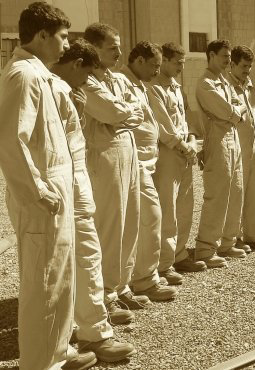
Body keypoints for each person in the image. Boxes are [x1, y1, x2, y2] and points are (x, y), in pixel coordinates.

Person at [0, 3, 87, 368]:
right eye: (63, 37)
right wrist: (38, 191)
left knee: (60, 280)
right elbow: (11, 140)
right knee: (43, 284)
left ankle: (57, 352)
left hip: (55, 196)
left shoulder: (43, 76)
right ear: (41, 36)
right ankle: (39, 363)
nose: (67, 46)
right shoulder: (23, 75)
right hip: (43, 201)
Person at [51, 38, 136, 363]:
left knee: (88, 257)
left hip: (77, 183)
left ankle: (92, 332)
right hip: (59, 189)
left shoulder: (69, 87)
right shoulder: (36, 80)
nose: (86, 84)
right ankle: (59, 347)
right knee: (63, 266)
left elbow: (127, 113)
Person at [83, 23, 148, 311]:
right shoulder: (86, 80)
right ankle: (105, 294)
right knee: (109, 225)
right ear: (93, 48)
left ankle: (122, 285)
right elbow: (108, 110)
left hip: (127, 150)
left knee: (130, 220)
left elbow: (139, 111)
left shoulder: (117, 79)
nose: (119, 52)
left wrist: (121, 114)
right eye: (112, 47)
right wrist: (122, 113)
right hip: (104, 154)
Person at [120, 41, 178, 301]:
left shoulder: (140, 85)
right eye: (154, 65)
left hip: (146, 162)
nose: (157, 71)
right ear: (139, 60)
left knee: (147, 221)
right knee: (149, 218)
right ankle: (142, 280)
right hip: (134, 164)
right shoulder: (123, 83)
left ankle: (140, 277)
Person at [149, 43, 206, 283]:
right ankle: (163, 263)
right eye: (177, 62)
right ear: (164, 61)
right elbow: (163, 126)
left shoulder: (175, 87)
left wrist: (192, 142)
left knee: (185, 205)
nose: (182, 67)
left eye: (183, 62)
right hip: (168, 154)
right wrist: (183, 146)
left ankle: (180, 253)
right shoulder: (154, 89)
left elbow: (186, 120)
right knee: (167, 208)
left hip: (184, 151)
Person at [194, 39, 247, 267]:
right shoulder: (206, 84)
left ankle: (227, 242)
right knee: (217, 194)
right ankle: (206, 247)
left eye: (229, 57)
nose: (228, 61)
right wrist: (235, 112)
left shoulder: (222, 81)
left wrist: (235, 111)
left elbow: (238, 105)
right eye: (224, 56)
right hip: (216, 139)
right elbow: (230, 111)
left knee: (236, 190)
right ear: (211, 55)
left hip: (231, 136)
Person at [228, 45, 255, 251]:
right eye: (244, 66)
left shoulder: (252, 88)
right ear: (232, 64)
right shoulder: (226, 87)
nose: (247, 70)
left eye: (250, 66)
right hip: (238, 144)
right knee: (238, 191)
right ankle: (233, 237)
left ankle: (253, 233)